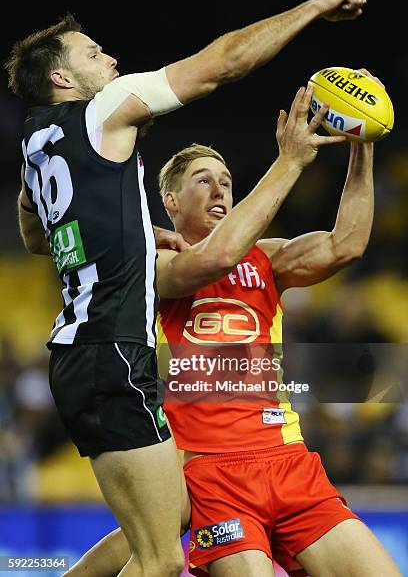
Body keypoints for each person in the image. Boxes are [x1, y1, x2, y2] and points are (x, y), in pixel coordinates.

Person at [6, 0, 368, 577]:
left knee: (169, 517)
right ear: (63, 80)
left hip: (79, 352)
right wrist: (314, 8)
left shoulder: (36, 146)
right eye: (94, 55)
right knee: (160, 558)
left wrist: (136, 232)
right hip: (113, 352)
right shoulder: (103, 109)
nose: (113, 62)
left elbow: (35, 236)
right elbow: (223, 65)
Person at [65, 84, 401, 576]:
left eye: (225, 180)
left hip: (288, 461)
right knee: (154, 544)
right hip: (213, 472)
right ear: (170, 201)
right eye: (204, 181)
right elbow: (215, 258)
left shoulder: (264, 257)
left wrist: (362, 143)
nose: (220, 189)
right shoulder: (152, 263)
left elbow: (345, 245)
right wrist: (288, 160)